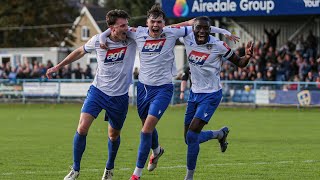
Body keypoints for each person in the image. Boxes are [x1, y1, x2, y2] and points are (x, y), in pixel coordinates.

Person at [99, 4, 239, 180]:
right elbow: (114, 29)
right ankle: (157, 150)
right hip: (142, 88)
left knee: (146, 130)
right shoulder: (138, 32)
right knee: (148, 127)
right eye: (153, 22)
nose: (156, 25)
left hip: (163, 88)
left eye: (159, 22)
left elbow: (195, 23)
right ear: (147, 22)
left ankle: (136, 174)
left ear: (164, 23)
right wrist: (103, 37)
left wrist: (223, 32)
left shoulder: (172, 32)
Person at [46, 9, 136, 180]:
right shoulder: (97, 41)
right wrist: (58, 66)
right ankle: (75, 169)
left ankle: (109, 169)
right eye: (122, 25)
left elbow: (150, 32)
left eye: (127, 24)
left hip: (119, 96)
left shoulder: (132, 39)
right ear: (111, 27)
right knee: (82, 127)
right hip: (98, 91)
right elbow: (79, 51)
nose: (127, 28)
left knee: (113, 135)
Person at [180, 16, 254, 180]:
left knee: (192, 136)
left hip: (211, 95)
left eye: (205, 28)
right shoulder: (186, 38)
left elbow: (240, 63)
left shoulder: (219, 45)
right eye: (198, 28)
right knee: (188, 139)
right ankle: (219, 134)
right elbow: (165, 29)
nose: (202, 31)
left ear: (210, 30)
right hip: (194, 94)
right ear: (193, 29)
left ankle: (189, 177)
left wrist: (247, 56)